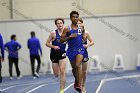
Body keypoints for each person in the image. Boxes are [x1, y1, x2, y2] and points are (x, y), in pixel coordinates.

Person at [60, 11, 84, 92]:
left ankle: (80, 85)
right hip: (71, 51)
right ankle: (77, 81)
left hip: (80, 49)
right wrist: (70, 37)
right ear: (70, 18)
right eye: (73, 17)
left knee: (78, 66)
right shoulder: (67, 28)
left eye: (77, 17)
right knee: (74, 69)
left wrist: (83, 38)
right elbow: (61, 40)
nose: (75, 18)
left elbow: (83, 35)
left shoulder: (81, 27)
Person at [46, 18, 66, 93]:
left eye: (61, 23)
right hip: (54, 54)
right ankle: (57, 76)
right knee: (56, 74)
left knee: (63, 72)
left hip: (62, 53)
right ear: (56, 25)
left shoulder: (67, 33)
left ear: (63, 24)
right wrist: (54, 47)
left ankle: (61, 90)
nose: (59, 24)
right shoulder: (53, 33)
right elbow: (47, 43)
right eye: (58, 23)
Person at [78, 18, 94, 93]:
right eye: (77, 23)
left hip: (84, 53)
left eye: (80, 23)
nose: (78, 24)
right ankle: (79, 85)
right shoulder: (73, 33)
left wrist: (87, 45)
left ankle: (83, 85)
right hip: (76, 53)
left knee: (84, 71)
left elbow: (92, 41)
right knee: (78, 70)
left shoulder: (86, 33)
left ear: (82, 24)